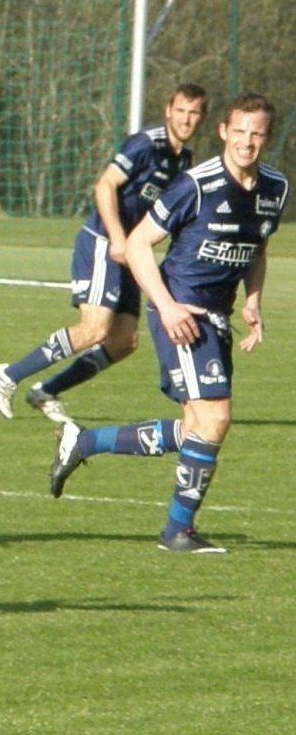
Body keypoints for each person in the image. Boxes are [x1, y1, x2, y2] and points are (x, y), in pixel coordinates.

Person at [48, 94, 285, 554]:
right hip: (181, 310)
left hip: (217, 315)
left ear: (267, 137)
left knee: (196, 425)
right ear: (223, 132)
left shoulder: (275, 188)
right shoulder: (196, 184)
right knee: (215, 419)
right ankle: (177, 532)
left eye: (257, 133)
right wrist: (167, 306)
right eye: (239, 131)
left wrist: (252, 300)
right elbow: (137, 246)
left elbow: (257, 247)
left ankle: (84, 441)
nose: (247, 142)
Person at [0, 84, 207, 422]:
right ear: (168, 110)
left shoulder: (184, 161)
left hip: (131, 254)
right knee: (94, 328)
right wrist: (119, 240)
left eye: (194, 113)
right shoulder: (146, 144)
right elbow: (104, 185)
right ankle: (8, 375)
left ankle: (46, 390)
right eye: (181, 110)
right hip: (104, 242)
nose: (186, 119)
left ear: (202, 118)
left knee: (123, 341)